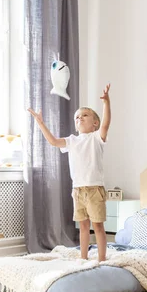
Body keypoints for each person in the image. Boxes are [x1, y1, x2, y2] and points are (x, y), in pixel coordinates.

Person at [28, 84, 111, 261]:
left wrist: (106, 103)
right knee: (82, 226)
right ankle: (83, 258)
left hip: (94, 189)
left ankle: (102, 259)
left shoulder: (96, 138)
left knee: (97, 226)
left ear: (94, 123)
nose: (80, 118)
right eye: (77, 117)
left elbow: (106, 123)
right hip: (78, 191)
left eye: (85, 115)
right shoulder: (72, 141)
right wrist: (40, 122)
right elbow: (52, 141)